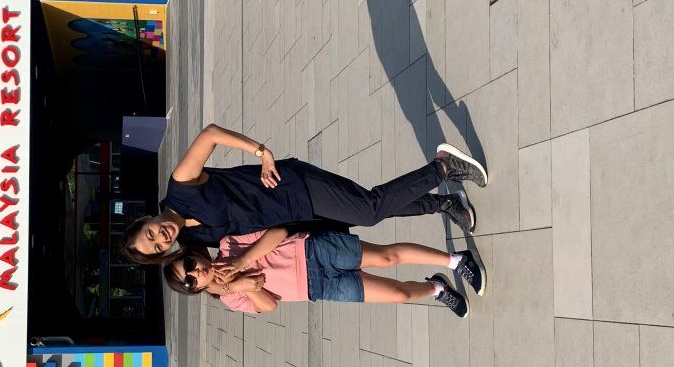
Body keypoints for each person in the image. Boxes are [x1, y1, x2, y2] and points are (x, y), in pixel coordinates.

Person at [121, 124, 487, 262]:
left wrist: (261, 152)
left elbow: (210, 135)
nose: (160, 238)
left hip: (293, 184)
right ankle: (443, 203)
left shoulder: (180, 185)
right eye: (156, 246)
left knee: (371, 209)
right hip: (296, 214)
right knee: (369, 212)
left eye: (151, 233)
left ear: (146, 219)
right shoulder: (192, 238)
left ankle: (443, 167)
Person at [162, 227, 486, 318]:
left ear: (192, 255)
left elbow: (276, 234)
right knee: (398, 295)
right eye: (190, 280)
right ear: (195, 288)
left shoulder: (229, 243)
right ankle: (436, 288)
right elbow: (269, 305)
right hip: (317, 289)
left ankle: (455, 260)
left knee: (387, 257)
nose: (196, 272)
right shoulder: (230, 299)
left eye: (189, 264)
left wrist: (241, 261)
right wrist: (242, 284)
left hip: (314, 251)